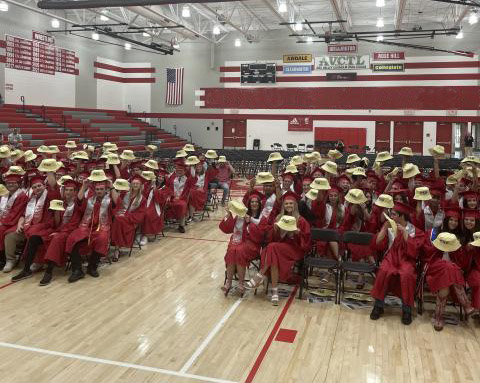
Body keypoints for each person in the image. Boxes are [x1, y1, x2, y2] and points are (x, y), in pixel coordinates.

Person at [246, 193, 311, 305]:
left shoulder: (301, 220)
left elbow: (306, 242)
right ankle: (275, 292)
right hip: (279, 249)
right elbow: (273, 239)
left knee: (271, 248)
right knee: (272, 252)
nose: (289, 205)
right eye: (286, 204)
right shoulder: (279, 218)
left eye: (291, 203)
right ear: (283, 206)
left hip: (295, 250)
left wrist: (298, 233)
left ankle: (260, 275)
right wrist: (275, 230)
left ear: (295, 205)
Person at [370, 203, 424, 325]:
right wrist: (384, 228)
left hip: (406, 259)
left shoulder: (414, 231)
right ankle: (378, 305)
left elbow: (415, 252)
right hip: (391, 258)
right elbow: (376, 244)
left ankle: (406, 309)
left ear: (401, 216)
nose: (391, 216)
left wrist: (405, 233)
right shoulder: (389, 227)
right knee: (383, 271)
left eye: (393, 214)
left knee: (407, 275)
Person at [64, 171, 118, 283]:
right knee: (73, 238)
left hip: (102, 228)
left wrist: (111, 186)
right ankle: (77, 270)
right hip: (86, 227)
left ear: (105, 190)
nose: (99, 191)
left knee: (102, 239)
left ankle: (92, 267)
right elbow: (78, 201)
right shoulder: (89, 200)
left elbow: (117, 202)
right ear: (94, 190)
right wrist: (84, 186)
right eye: (97, 189)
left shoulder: (108, 200)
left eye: (101, 189)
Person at [219, 196, 265, 297]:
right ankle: (229, 282)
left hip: (252, 244)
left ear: (259, 204)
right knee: (231, 250)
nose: (254, 204)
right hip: (238, 242)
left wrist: (249, 222)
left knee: (239, 250)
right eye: (252, 202)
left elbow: (259, 236)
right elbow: (226, 229)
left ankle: (241, 283)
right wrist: (228, 215)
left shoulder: (261, 217)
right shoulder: (241, 214)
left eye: (256, 202)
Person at [0, 173, 29, 272]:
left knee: (8, 235)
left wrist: (2, 222)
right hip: (6, 222)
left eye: (13, 183)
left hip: (16, 223)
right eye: (8, 183)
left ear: (18, 184)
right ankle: (2, 258)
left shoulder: (22, 196)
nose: (10, 185)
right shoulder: (4, 195)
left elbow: (16, 213)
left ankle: (9, 260)